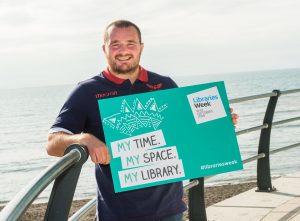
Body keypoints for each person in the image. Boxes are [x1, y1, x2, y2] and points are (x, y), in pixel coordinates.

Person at [46, 20, 238, 221]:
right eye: (115, 45)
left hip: (170, 210)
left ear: (141, 47)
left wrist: (220, 125)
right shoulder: (86, 91)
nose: (123, 51)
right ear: (104, 49)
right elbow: (52, 143)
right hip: (118, 214)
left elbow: (187, 133)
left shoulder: (164, 84)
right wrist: (84, 139)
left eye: (130, 43)